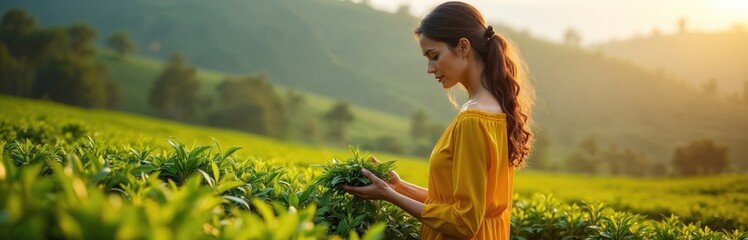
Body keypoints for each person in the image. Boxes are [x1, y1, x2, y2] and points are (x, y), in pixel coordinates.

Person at [343, 1, 534, 239]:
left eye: (434, 56)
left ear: (463, 46)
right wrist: (400, 188)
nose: (429, 68)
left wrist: (390, 197)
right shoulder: (496, 111)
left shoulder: (474, 119)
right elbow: (457, 205)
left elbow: (463, 223)